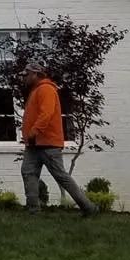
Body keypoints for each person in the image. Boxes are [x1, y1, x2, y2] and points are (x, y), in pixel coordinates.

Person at [20, 64, 96, 215]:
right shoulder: (36, 90)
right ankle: (33, 211)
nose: (24, 77)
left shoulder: (46, 89)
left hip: (47, 143)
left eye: (27, 74)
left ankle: (89, 208)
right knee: (28, 173)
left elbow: (46, 114)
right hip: (34, 144)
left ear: (36, 74)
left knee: (61, 176)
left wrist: (34, 132)